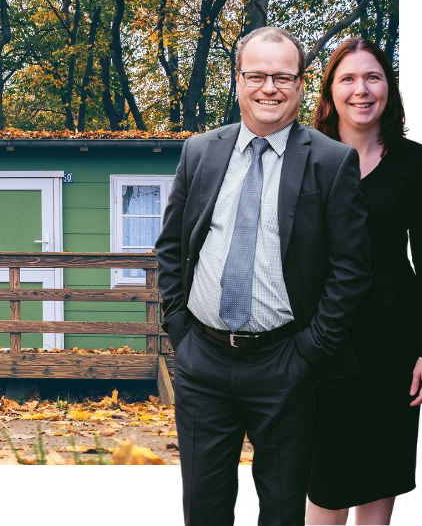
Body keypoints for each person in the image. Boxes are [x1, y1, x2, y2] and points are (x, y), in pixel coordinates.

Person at [154, 26, 373, 526]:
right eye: (257, 75)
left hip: (285, 363)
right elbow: (171, 246)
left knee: (280, 509)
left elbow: (352, 270)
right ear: (238, 81)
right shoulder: (200, 152)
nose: (269, 88)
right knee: (204, 509)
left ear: (300, 85)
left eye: (282, 77)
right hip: (202, 360)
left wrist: (310, 352)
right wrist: (180, 331)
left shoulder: (332, 161)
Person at [306, 38, 422, 525]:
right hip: (323, 344)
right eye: (348, 78)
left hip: (394, 347)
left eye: (373, 77)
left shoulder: (414, 161)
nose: (361, 90)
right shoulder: (306, 159)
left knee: (378, 479)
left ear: (388, 88)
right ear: (330, 92)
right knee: (325, 487)